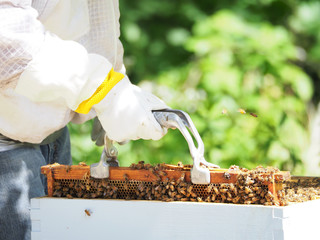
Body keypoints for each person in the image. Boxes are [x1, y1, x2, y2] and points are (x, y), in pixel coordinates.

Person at [0, 1, 168, 239]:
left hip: (54, 137)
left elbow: (97, 15)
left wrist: (114, 83)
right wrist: (101, 89)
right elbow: (7, 36)